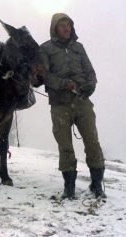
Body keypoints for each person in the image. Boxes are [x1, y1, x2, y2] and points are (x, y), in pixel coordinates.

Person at [40, 13, 106, 199]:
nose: (66, 28)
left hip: (82, 101)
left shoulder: (79, 47)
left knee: (92, 143)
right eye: (62, 25)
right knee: (65, 146)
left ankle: (96, 185)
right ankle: (69, 187)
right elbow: (44, 75)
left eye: (68, 25)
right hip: (60, 104)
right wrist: (63, 84)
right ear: (55, 28)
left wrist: (91, 84)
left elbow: (90, 71)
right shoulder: (45, 48)